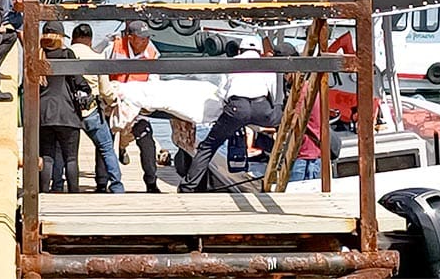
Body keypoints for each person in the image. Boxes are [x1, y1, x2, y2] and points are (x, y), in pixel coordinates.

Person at [177, 36, 282, 192]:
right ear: (259, 52)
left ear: (239, 50)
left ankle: (188, 186)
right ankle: (280, 167)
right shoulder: (267, 64)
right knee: (278, 131)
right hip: (262, 108)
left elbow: (222, 93)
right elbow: (274, 94)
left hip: (237, 108)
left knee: (209, 146)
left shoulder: (233, 63)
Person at [70, 24, 125, 193]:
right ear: (91, 40)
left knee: (65, 153)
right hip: (91, 110)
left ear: (73, 38)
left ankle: (58, 185)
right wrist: (113, 100)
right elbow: (105, 90)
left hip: (69, 110)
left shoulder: (66, 54)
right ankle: (116, 185)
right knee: (106, 147)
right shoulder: (97, 57)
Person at [108, 20, 161, 193]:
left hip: (138, 106)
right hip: (113, 103)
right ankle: (102, 183)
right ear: (130, 37)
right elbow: (98, 70)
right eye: (141, 38)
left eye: (147, 38)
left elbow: (154, 82)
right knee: (105, 142)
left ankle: (151, 182)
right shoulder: (114, 47)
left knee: (147, 142)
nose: (145, 41)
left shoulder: (152, 53)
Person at [39, 21, 89, 193]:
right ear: (60, 37)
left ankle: (43, 192)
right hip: (67, 112)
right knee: (71, 158)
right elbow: (79, 81)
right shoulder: (67, 54)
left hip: (43, 113)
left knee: (47, 156)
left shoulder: (38, 54)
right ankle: (74, 192)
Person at [274, 42, 322, 181]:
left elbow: (292, 122)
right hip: (313, 155)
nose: (283, 77)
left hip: (303, 157)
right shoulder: (311, 89)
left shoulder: (300, 92)